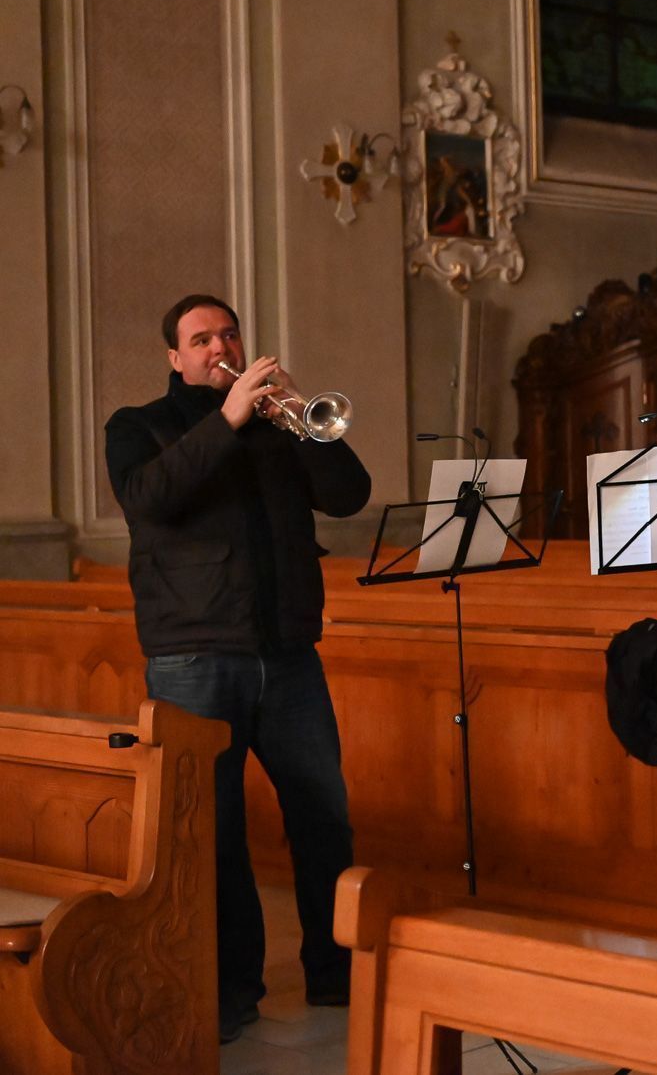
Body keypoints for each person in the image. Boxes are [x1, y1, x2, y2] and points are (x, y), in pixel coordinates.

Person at [104, 294, 369, 1042]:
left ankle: (336, 975)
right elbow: (148, 499)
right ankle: (230, 992)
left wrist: (297, 416)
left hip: (286, 654)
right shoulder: (138, 426)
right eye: (201, 338)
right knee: (211, 834)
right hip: (194, 656)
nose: (219, 345)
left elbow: (350, 496)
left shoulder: (278, 426)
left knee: (323, 817)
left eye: (228, 333)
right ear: (175, 357)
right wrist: (226, 420)